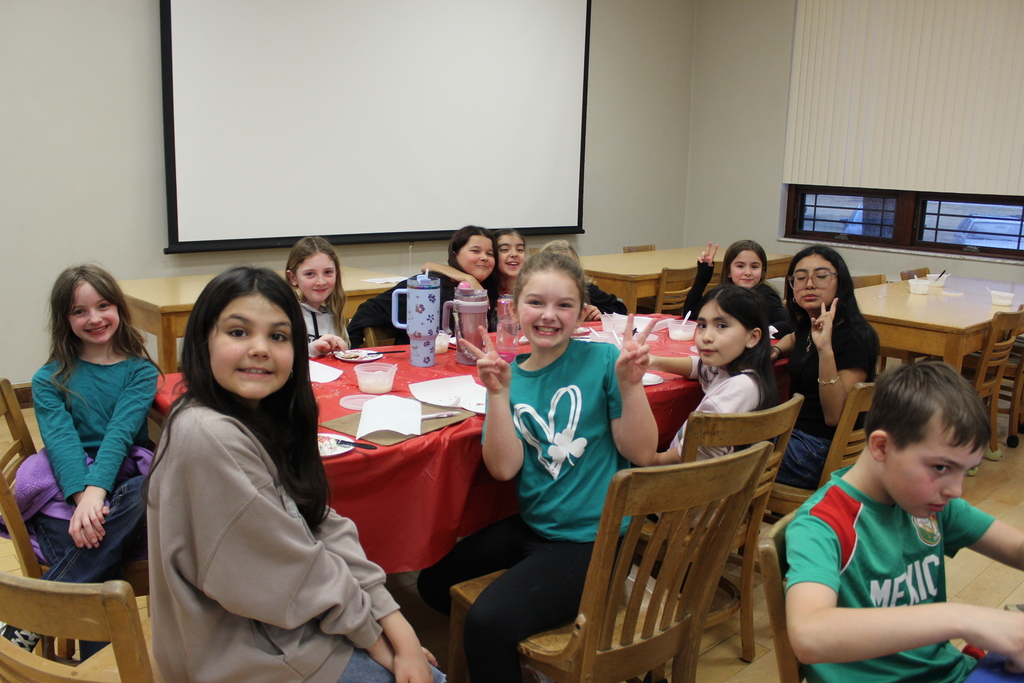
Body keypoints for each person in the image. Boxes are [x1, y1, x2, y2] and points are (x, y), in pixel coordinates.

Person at [145, 266, 442, 683]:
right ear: (202, 341)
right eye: (238, 332)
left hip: (276, 631)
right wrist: (379, 640)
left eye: (279, 336)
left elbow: (318, 519)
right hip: (246, 654)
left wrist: (396, 624)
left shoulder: (260, 415)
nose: (260, 348)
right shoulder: (208, 435)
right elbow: (294, 573)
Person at [415, 250, 659, 683]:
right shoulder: (511, 375)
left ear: (582, 310)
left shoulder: (603, 361)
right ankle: (528, 662)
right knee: (433, 584)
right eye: (536, 303)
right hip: (536, 526)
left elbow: (640, 453)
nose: (549, 316)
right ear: (512, 307)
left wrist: (631, 385)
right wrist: (497, 395)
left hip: (593, 540)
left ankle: (521, 653)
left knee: (487, 624)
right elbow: (504, 470)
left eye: (564, 305)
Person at [785, 361, 1024, 682]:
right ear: (882, 447)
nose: (956, 490)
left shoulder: (934, 504)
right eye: (941, 467)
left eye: (965, 470)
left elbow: (1017, 548)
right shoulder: (822, 524)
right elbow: (809, 636)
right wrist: (960, 616)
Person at [0, 265, 157, 656]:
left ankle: (29, 619)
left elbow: (120, 435)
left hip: (121, 473)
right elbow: (61, 443)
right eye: (79, 311)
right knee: (98, 567)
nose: (95, 318)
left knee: (146, 489)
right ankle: (98, 668)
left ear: (118, 308)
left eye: (103, 305)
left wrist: (97, 494)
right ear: (64, 319)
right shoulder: (48, 378)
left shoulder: (140, 371)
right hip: (63, 483)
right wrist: (80, 499)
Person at [772, 246, 879, 488]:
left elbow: (835, 417)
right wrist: (776, 351)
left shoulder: (853, 336)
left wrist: (825, 350)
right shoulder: (810, 323)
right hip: (799, 437)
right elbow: (794, 339)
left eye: (821, 276)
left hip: (821, 452)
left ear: (841, 282)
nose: (809, 284)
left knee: (722, 446)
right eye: (799, 278)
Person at [648, 285, 777, 462]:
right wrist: (654, 361)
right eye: (702, 325)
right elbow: (698, 367)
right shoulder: (736, 369)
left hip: (692, 479)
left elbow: (698, 453)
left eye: (721, 326)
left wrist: (653, 461)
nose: (706, 336)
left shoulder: (739, 388)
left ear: (752, 337)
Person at [347, 226, 499, 348]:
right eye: (475, 251)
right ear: (455, 253)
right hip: (423, 364)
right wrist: (353, 350)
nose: (484, 257)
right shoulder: (428, 285)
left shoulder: (490, 289)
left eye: (490, 253)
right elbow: (370, 309)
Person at [682, 239, 792, 338]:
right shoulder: (721, 293)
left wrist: (754, 334)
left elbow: (788, 324)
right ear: (728, 271)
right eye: (740, 266)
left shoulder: (766, 295)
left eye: (754, 267)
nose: (748, 273)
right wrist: (702, 278)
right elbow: (691, 316)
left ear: (762, 271)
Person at [285, 236, 349, 357]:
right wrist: (313, 349)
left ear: (337, 272)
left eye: (328, 272)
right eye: (310, 274)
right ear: (293, 278)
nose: (321, 281)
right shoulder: (285, 314)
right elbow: (280, 357)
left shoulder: (334, 312)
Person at [539, 239, 628, 320]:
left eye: (566, 268)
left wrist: (600, 312)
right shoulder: (536, 291)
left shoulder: (586, 289)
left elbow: (620, 308)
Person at [494, 228, 526, 297]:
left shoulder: (532, 286)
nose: (514, 254)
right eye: (504, 249)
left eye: (520, 249)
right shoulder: (484, 288)